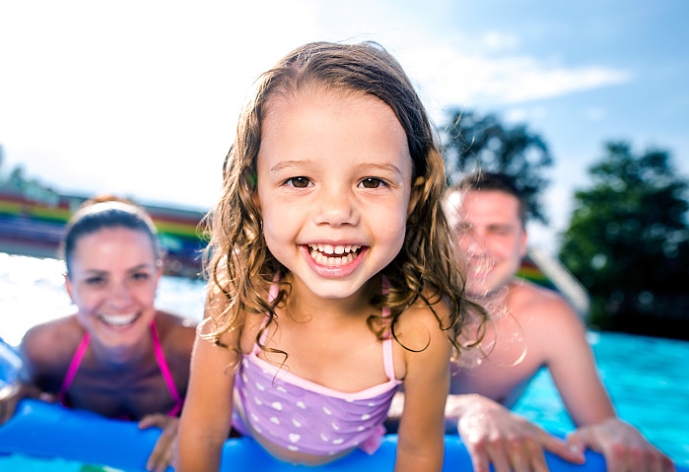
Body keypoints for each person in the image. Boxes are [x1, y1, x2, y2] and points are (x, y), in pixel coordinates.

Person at [176, 41, 486, 472]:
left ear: (413, 195)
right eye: (300, 179)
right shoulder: (240, 293)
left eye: (372, 182)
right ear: (254, 191)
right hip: (241, 433)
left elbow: (417, 453)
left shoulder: (420, 323)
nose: (337, 213)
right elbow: (203, 430)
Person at [441, 172, 675, 472]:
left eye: (498, 230)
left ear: (522, 242)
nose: (477, 247)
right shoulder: (401, 301)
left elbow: (599, 426)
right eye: (463, 228)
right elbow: (360, 402)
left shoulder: (550, 317)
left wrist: (616, 432)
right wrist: (464, 408)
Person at [0, 195, 197, 472]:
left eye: (137, 276)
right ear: (70, 288)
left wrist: (202, 428)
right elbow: (30, 390)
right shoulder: (45, 349)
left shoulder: (193, 348)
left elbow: (245, 423)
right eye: (96, 280)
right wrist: (21, 391)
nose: (120, 300)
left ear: (157, 277)